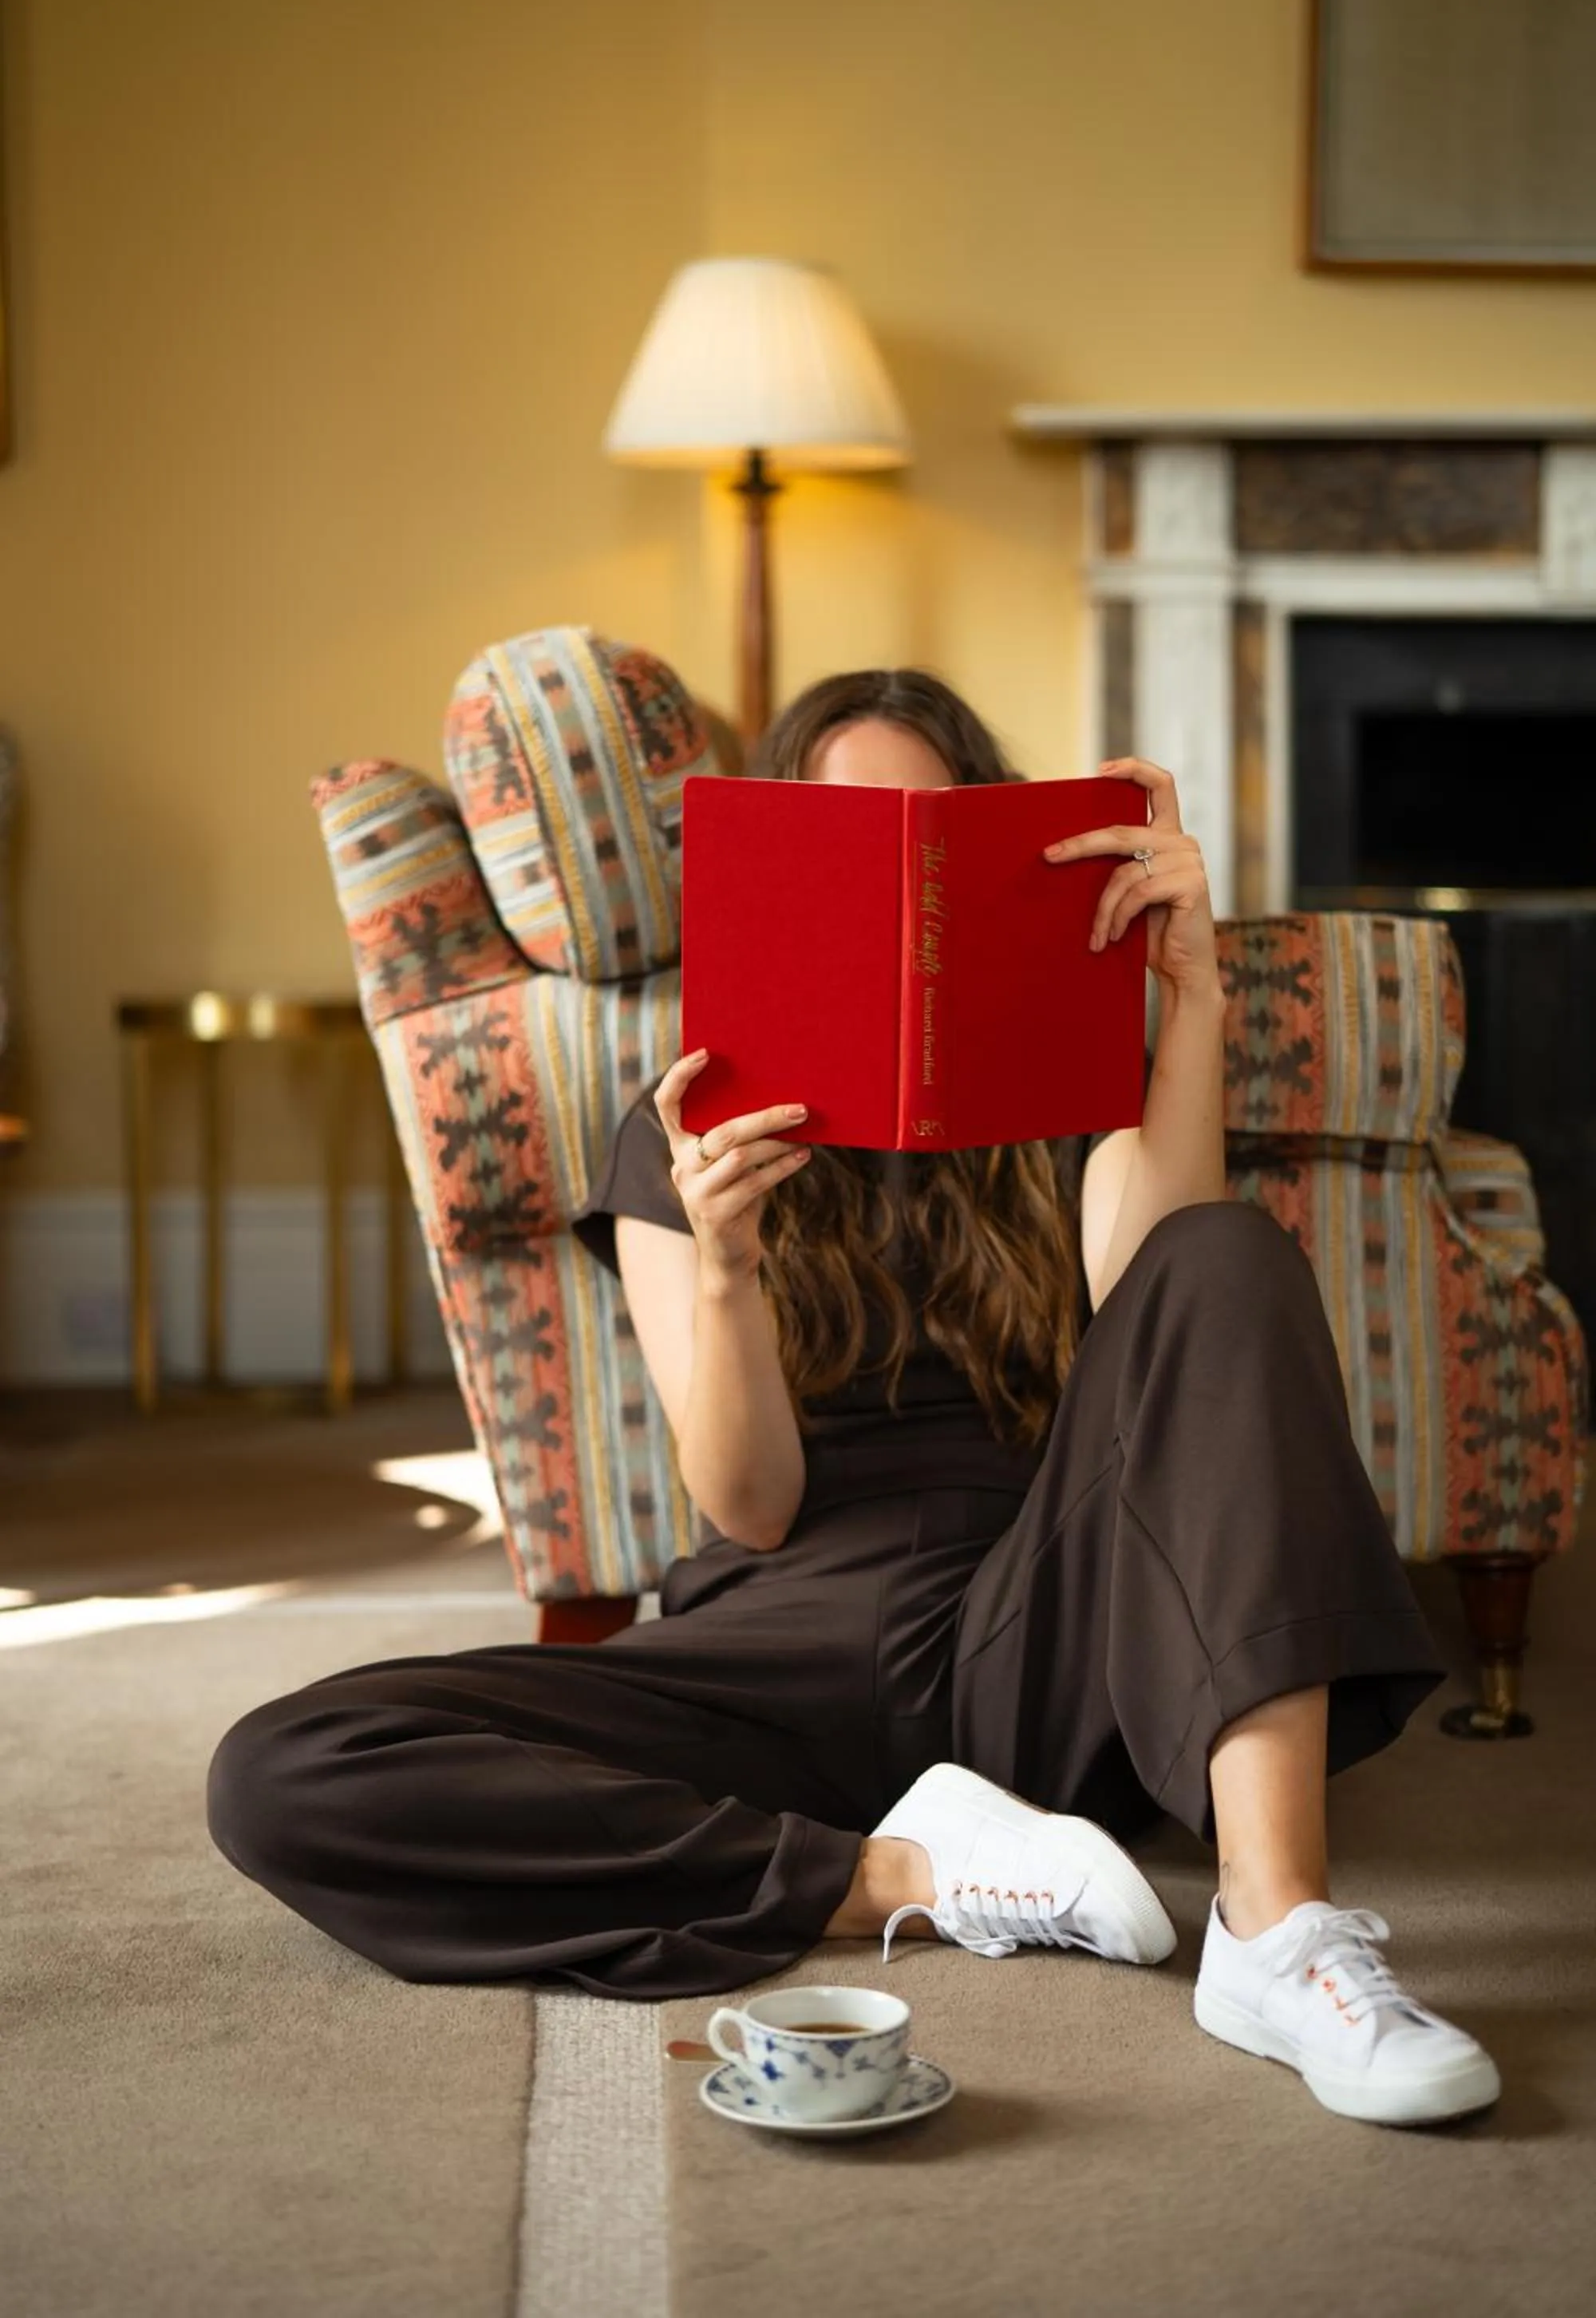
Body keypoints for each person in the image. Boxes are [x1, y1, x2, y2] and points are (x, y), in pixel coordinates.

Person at [207, 669, 1500, 2128]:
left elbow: (1176, 1307)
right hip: (779, 1654)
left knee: (1227, 1249)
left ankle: (1275, 1934)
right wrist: (727, 1264)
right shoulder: (679, 1128)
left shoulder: (1069, 1077)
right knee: (283, 1770)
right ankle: (906, 1874)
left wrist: (1189, 999)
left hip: (1037, 1631)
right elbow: (750, 1505)